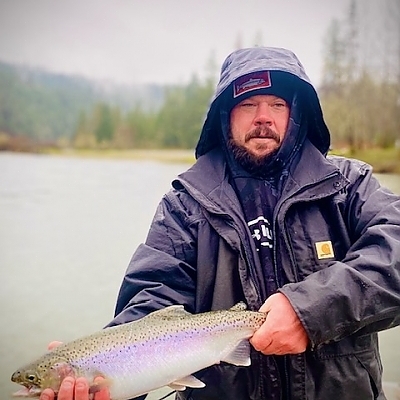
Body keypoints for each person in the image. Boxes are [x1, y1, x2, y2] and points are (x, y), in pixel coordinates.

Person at [40, 46, 400, 400]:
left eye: (277, 104)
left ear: (298, 115)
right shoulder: (184, 205)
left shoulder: (348, 185)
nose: (263, 116)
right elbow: (153, 302)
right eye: (248, 104)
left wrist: (311, 311)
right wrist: (100, 372)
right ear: (225, 116)